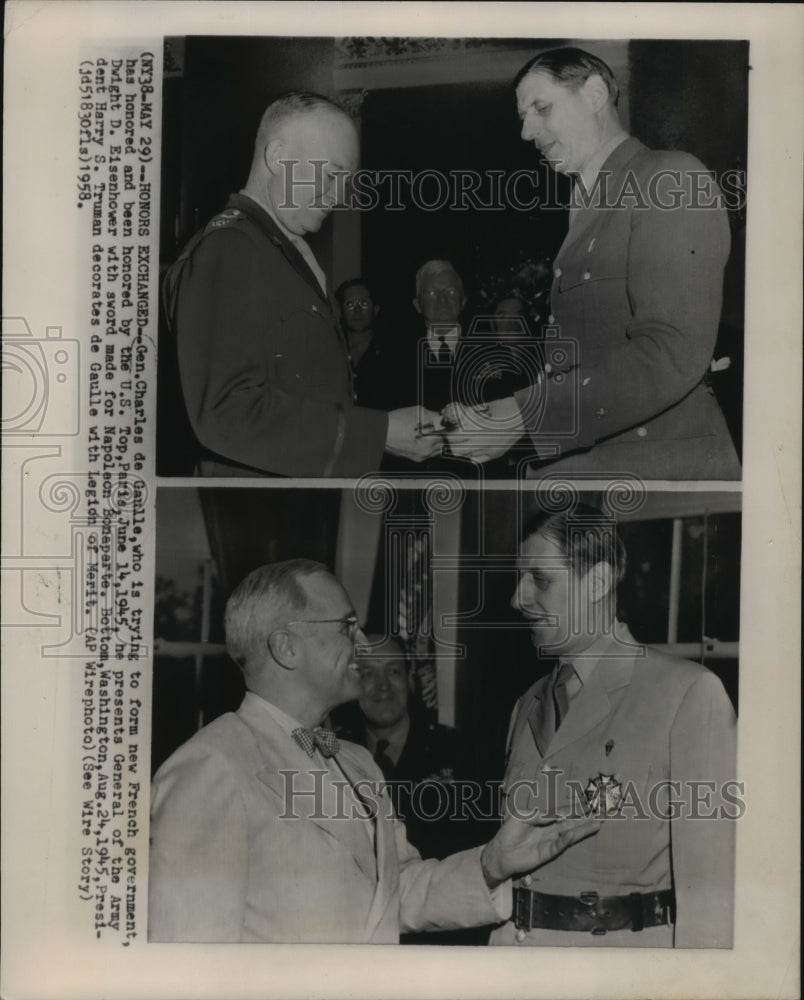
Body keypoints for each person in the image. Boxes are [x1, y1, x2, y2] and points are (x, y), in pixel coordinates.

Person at [148, 559, 599, 943]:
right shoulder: (210, 769)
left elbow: (396, 892)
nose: (362, 644)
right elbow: (191, 967)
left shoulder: (357, 762)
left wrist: (492, 864)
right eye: (347, 627)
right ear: (286, 647)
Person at [445, 48, 741, 480]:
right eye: (523, 116)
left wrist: (527, 414)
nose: (527, 131)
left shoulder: (667, 178)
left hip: (659, 484)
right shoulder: (586, 205)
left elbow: (670, 352)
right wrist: (497, 416)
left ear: (596, 94)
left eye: (541, 108)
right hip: (593, 474)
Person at [490, 506, 737, 947]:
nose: (518, 598)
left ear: (599, 583)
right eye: (519, 579)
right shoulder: (525, 705)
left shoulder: (687, 694)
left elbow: (713, 900)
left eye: (539, 579)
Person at [163, 92, 441, 477]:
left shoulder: (276, 248)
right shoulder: (231, 247)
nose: (339, 196)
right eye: (331, 175)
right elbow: (226, 412)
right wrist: (379, 433)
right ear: (277, 156)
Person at [334, 278, 388, 410]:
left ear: (375, 309)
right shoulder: (331, 351)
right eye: (350, 304)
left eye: (364, 303)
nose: (357, 310)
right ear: (340, 311)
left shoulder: (392, 354)